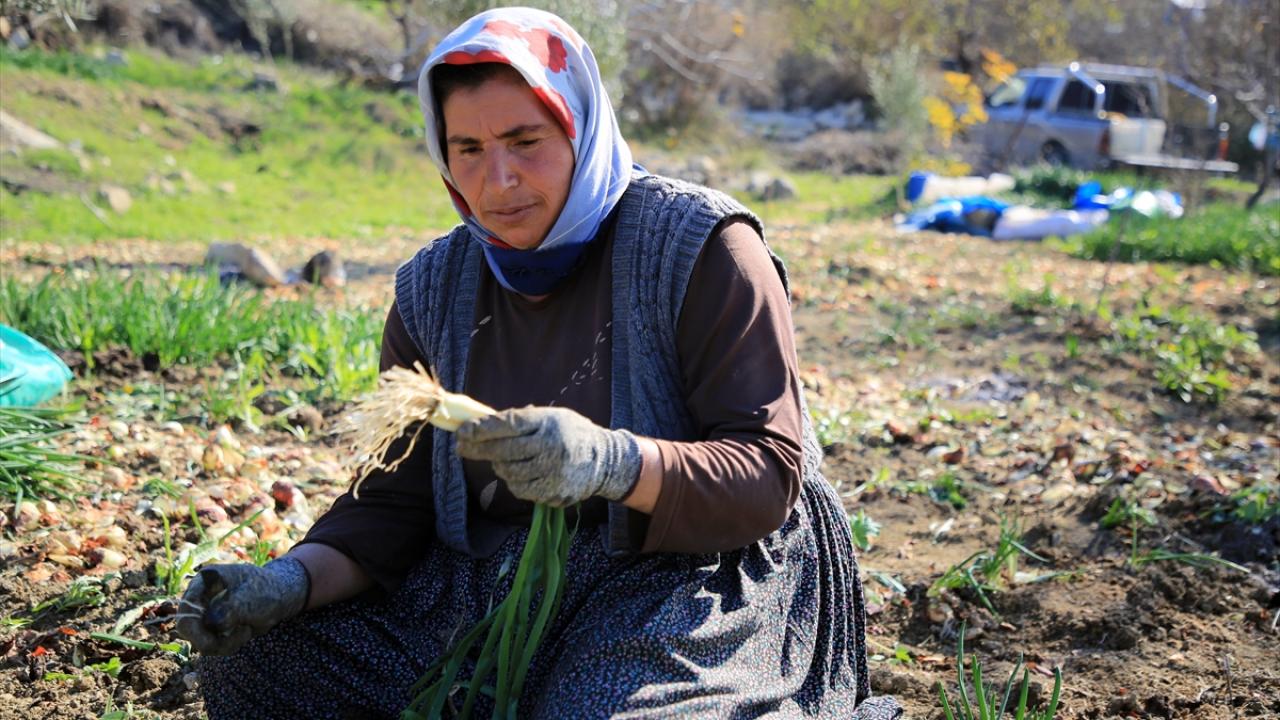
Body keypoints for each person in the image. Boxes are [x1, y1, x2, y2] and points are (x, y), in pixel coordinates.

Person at [177, 8, 902, 719]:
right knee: (259, 668)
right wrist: (289, 583)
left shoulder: (702, 249)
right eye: (468, 149)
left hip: (686, 575)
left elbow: (765, 475)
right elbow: (392, 507)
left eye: (526, 140)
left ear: (580, 129)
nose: (499, 181)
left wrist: (613, 464)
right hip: (492, 580)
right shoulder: (433, 290)